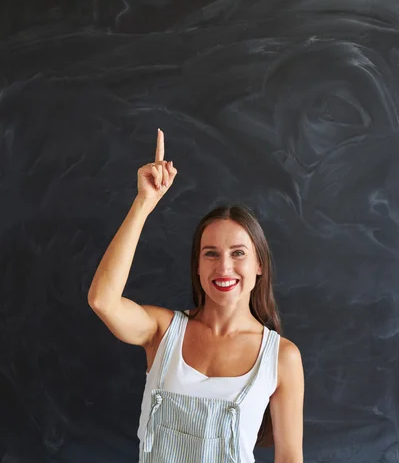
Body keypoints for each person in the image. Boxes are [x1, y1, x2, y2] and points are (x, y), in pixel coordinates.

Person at [88, 129, 304, 462]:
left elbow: (290, 457)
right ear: (198, 266)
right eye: (211, 254)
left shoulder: (281, 357)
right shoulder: (162, 332)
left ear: (260, 264)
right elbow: (103, 300)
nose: (224, 267)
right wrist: (143, 203)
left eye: (238, 253)